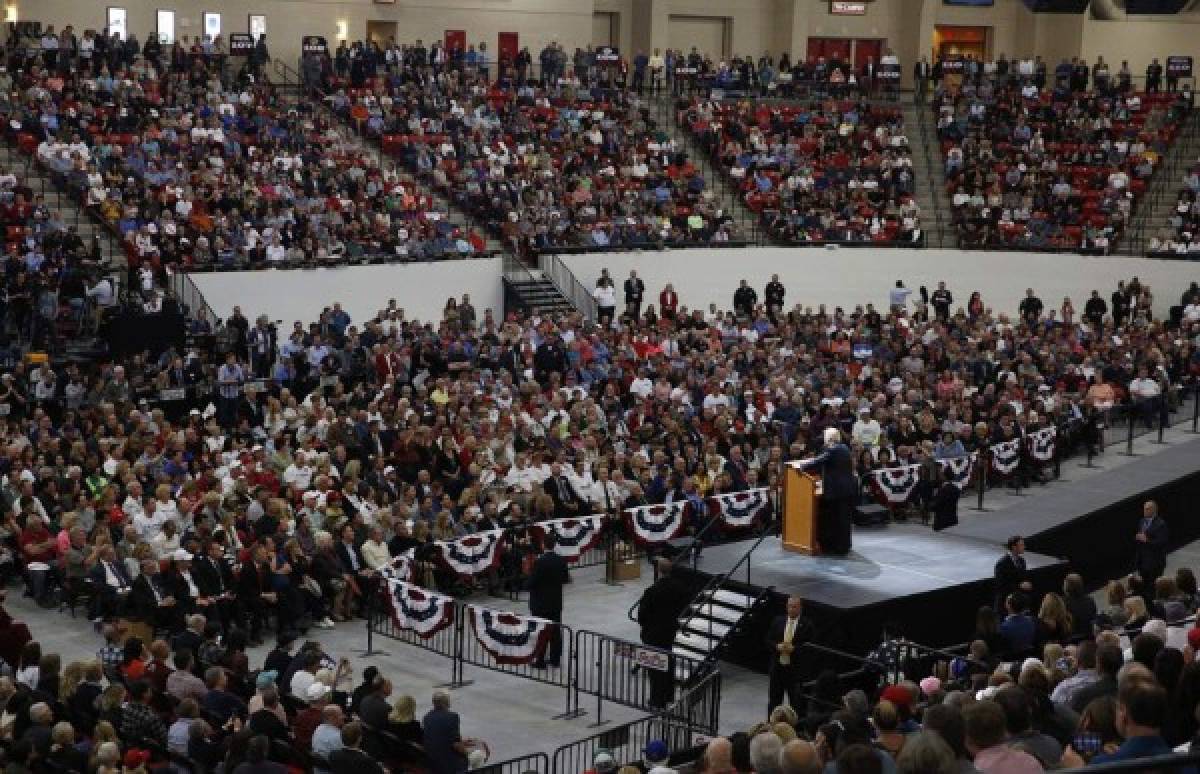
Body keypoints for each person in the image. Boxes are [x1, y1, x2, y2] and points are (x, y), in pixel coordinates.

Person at [636, 559, 692, 707]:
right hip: (669, 629)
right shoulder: (679, 587)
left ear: (658, 571)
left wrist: (645, 624)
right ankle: (668, 695)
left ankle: (657, 699)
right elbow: (687, 603)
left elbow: (642, 615)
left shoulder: (652, 590)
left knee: (654, 667)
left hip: (653, 632)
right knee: (668, 660)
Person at [795, 427, 855, 556]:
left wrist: (802, 467)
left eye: (825, 439)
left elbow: (819, 461)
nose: (824, 442)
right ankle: (844, 545)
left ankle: (838, 548)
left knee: (838, 520)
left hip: (837, 491)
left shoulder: (834, 449)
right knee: (843, 519)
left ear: (830, 438)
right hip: (845, 490)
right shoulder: (844, 448)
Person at [765, 595, 814, 715]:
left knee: (796, 703)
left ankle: (797, 729)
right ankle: (771, 725)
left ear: (800, 608)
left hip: (795, 672)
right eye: (789, 606)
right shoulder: (778, 621)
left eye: (794, 607)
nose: (791, 609)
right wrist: (777, 646)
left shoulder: (807, 625)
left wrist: (795, 649)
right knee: (774, 701)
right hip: (778, 670)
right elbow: (768, 640)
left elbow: (810, 648)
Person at [527, 533, 570, 669]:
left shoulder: (540, 562)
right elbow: (565, 579)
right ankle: (555, 659)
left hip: (540, 603)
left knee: (541, 631)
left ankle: (539, 660)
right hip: (555, 602)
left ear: (543, 545)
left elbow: (531, 583)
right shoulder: (560, 560)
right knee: (555, 632)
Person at [423, 690, 468, 774]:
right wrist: (468, 753)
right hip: (448, 764)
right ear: (446, 702)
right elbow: (456, 745)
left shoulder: (427, 717)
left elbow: (441, 737)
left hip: (431, 761)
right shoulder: (452, 717)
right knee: (478, 756)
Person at [1133, 500, 1168, 587]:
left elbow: (1161, 543)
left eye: (1147, 509)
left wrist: (1146, 540)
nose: (1145, 511)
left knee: (1153, 587)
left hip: (1155, 563)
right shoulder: (1142, 521)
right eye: (1144, 509)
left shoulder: (1160, 524)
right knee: (1143, 587)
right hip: (1143, 562)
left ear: (1154, 510)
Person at [993, 536, 1029, 612]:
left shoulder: (1022, 561)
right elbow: (1000, 585)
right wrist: (1019, 585)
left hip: (1019, 604)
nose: (1024, 547)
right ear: (1014, 547)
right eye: (1021, 545)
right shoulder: (1002, 563)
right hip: (1005, 605)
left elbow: (1022, 578)